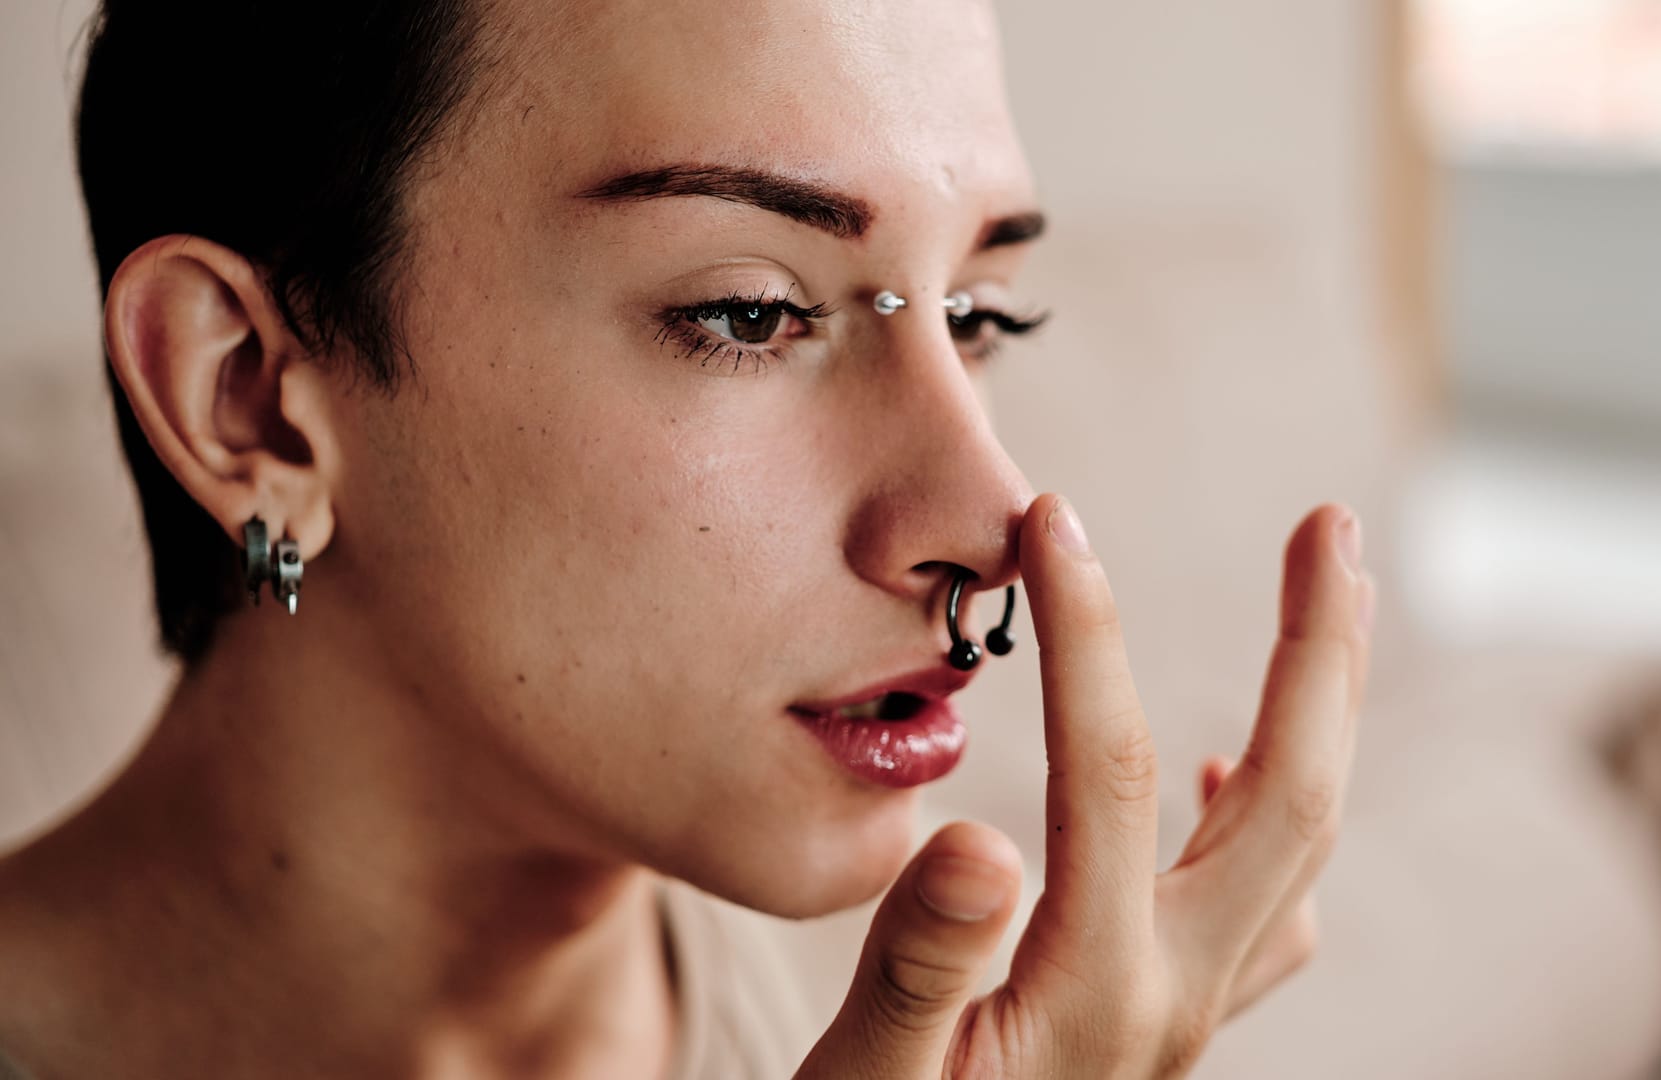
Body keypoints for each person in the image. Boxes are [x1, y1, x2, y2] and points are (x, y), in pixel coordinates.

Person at [0, 0, 1375, 1075]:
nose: (986, 527)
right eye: (750, 312)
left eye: (977, 315)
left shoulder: (968, 1007)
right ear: (247, 398)